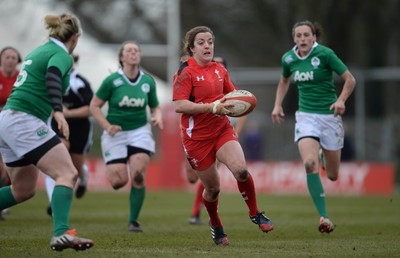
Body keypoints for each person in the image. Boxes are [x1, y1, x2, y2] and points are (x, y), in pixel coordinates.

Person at [0, 13, 94, 251]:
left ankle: (61, 233)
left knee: (22, 190)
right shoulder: (61, 54)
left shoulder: (38, 51)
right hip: (24, 120)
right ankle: (61, 234)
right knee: (68, 174)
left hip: (8, 120)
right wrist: (59, 112)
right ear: (75, 38)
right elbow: (53, 76)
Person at [172, 26, 273, 246]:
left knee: (241, 170)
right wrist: (211, 107)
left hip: (221, 130)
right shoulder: (185, 72)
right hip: (196, 139)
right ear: (192, 48)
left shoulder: (220, 70)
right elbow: (180, 105)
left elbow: (232, 96)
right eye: (201, 42)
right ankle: (216, 225)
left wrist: (241, 105)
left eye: (210, 41)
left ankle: (255, 213)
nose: (207, 45)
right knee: (213, 189)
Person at [271, 20, 356, 233]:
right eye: (298, 35)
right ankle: (324, 217)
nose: (302, 39)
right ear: (294, 39)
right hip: (306, 117)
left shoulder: (325, 55)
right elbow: (284, 80)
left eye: (306, 35)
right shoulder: (288, 58)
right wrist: (277, 105)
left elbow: (350, 80)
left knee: (333, 175)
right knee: (309, 164)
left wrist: (341, 100)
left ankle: (322, 157)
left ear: (314, 37)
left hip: (329, 117)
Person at [90, 40, 163, 233]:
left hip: (140, 131)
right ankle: (113, 173)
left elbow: (154, 106)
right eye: (129, 50)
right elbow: (94, 106)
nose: (134, 53)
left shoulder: (147, 81)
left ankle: (133, 220)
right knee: (118, 182)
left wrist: (157, 116)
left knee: (138, 176)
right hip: (115, 133)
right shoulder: (112, 81)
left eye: (137, 50)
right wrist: (106, 126)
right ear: (122, 57)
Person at [186, 55, 248, 225]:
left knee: (214, 178)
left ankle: (197, 213)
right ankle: (201, 211)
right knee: (194, 178)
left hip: (222, 134)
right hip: (199, 136)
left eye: (220, 64)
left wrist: (237, 132)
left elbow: (244, 112)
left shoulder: (231, 90)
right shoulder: (198, 83)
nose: (216, 67)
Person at [45, 54, 93, 216]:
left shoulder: (81, 83)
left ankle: (83, 177)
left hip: (79, 129)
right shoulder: (51, 80)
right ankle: (54, 203)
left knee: (75, 171)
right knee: (58, 162)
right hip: (57, 125)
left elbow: (91, 108)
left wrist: (69, 113)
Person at [0, 46, 22, 220]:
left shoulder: (21, 78)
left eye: (14, 58)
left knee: (9, 169)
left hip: (16, 127)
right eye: (7, 57)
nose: (10, 61)